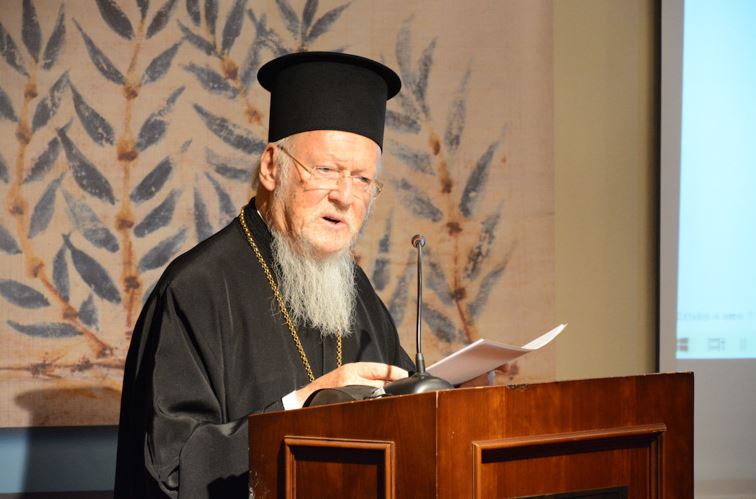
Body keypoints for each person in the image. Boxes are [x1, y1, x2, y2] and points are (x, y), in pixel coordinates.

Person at [114, 52, 415, 499]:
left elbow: (404, 411)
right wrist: (300, 407)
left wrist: (458, 392)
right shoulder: (196, 288)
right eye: (327, 170)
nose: (345, 196)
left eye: (363, 180)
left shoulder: (355, 289)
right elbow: (171, 467)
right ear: (272, 167)